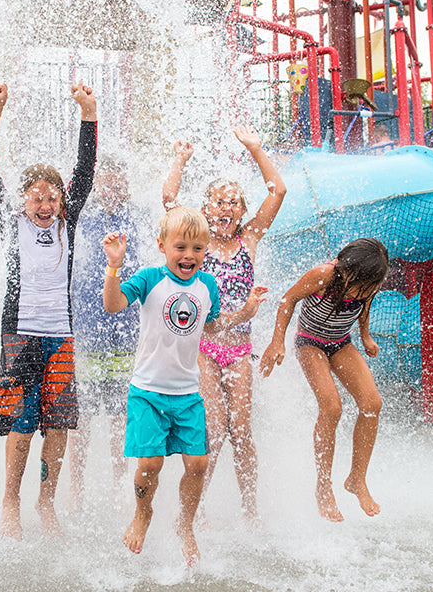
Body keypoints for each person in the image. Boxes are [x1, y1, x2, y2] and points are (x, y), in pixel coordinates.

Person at [101, 206, 267, 565]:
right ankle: (143, 514)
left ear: (205, 251)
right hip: (147, 391)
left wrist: (246, 312)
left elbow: (210, 326)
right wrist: (114, 266)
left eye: (196, 248)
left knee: (198, 463)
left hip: (187, 394)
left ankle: (185, 524)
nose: (188, 255)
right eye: (180, 247)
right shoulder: (148, 279)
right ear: (162, 246)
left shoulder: (207, 285)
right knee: (150, 464)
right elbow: (113, 305)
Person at [0, 81, 97, 539]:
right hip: (20, 336)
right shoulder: (11, 221)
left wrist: (89, 111)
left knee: (60, 424)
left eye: (52, 197)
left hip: (60, 337)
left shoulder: (69, 219)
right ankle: (11, 499)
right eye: (36, 197)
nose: (45, 205)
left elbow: (86, 167)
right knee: (22, 426)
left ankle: (47, 503)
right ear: (23, 199)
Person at [161, 127, 287, 522]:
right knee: (214, 431)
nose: (228, 209)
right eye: (220, 202)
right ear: (206, 207)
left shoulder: (249, 239)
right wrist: (180, 160)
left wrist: (255, 148)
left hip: (239, 349)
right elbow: (169, 201)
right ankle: (194, 513)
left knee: (242, 432)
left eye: (235, 203)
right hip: (203, 345)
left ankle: (252, 513)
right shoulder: (197, 240)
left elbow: (278, 191)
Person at [258, 238, 389, 522]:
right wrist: (276, 341)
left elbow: (364, 305)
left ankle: (357, 479)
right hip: (310, 343)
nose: (363, 293)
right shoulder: (324, 274)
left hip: (341, 342)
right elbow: (288, 299)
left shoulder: (368, 284)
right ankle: (323, 487)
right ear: (346, 272)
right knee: (332, 408)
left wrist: (365, 336)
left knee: (372, 403)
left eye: (369, 288)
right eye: (359, 286)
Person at [67, 156, 148, 511]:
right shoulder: (82, 217)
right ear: (97, 185)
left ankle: (119, 484)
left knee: (120, 414)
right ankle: (76, 487)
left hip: (126, 331)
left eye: (118, 185)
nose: (113, 191)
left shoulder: (137, 219)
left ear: (126, 184)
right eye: (107, 184)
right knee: (81, 415)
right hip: (87, 331)